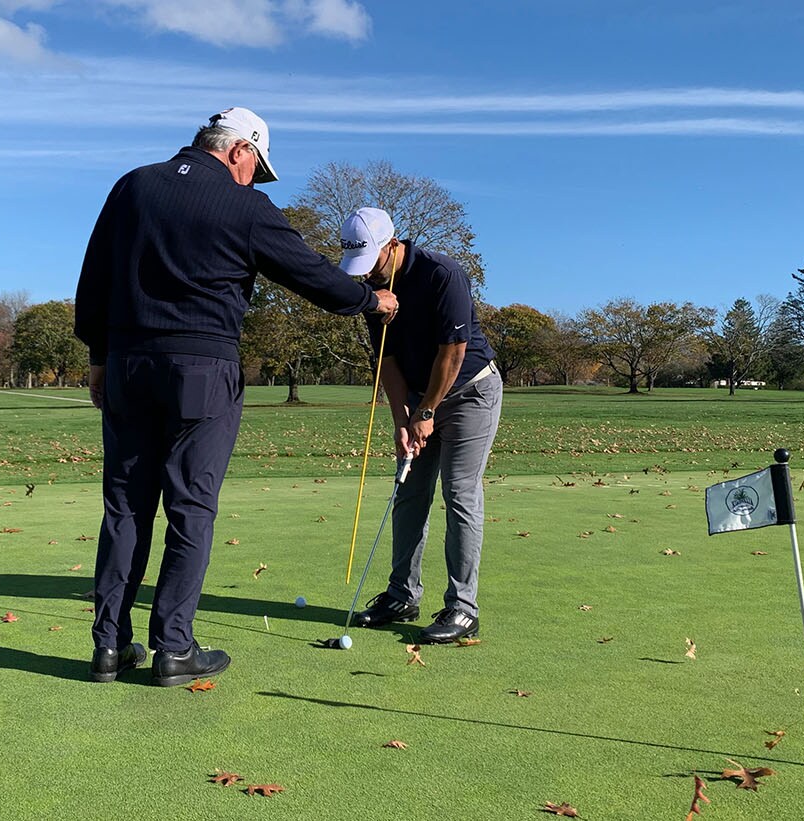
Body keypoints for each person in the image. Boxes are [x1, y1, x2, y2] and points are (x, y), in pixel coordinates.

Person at [74, 108, 399, 686]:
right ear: (240, 150)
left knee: (125, 507)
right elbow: (311, 275)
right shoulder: (245, 205)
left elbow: (94, 277)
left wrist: (98, 358)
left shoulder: (133, 185)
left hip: (127, 363)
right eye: (258, 168)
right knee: (190, 507)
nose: (256, 179)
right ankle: (173, 648)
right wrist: (370, 302)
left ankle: (108, 647)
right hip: (203, 368)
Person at [342, 208, 502, 644]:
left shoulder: (442, 273)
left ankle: (463, 607)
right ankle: (401, 595)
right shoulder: (374, 294)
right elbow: (387, 362)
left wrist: (427, 412)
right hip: (416, 398)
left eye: (372, 262)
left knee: (459, 492)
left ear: (392, 246)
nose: (367, 274)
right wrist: (401, 420)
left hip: (471, 390)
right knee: (410, 491)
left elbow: (453, 350)